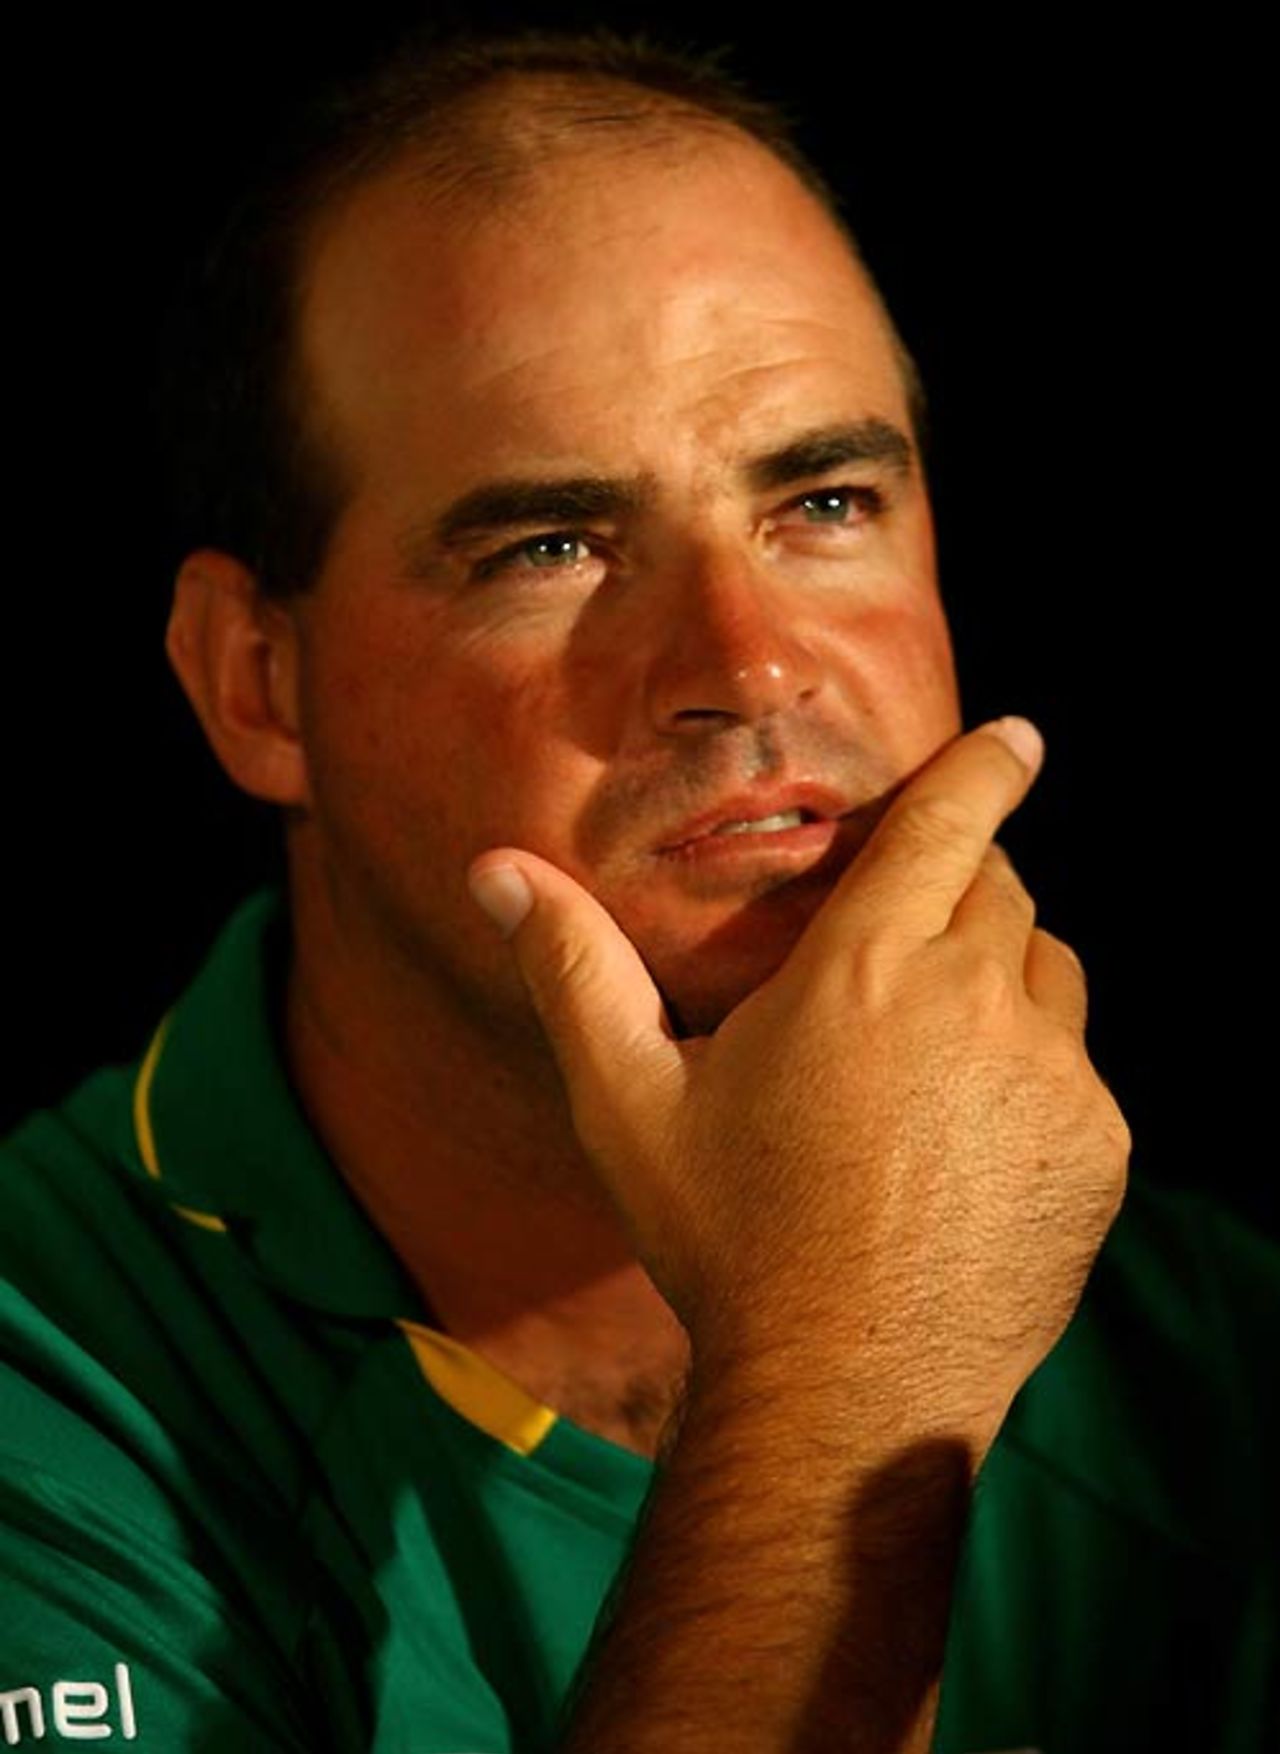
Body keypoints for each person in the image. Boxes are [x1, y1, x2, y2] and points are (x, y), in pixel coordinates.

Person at [1, 26, 1274, 1754]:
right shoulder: (42, 1379)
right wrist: (846, 1374)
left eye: (824, 500)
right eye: (553, 546)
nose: (749, 667)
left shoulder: (1220, 1353)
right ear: (256, 684)